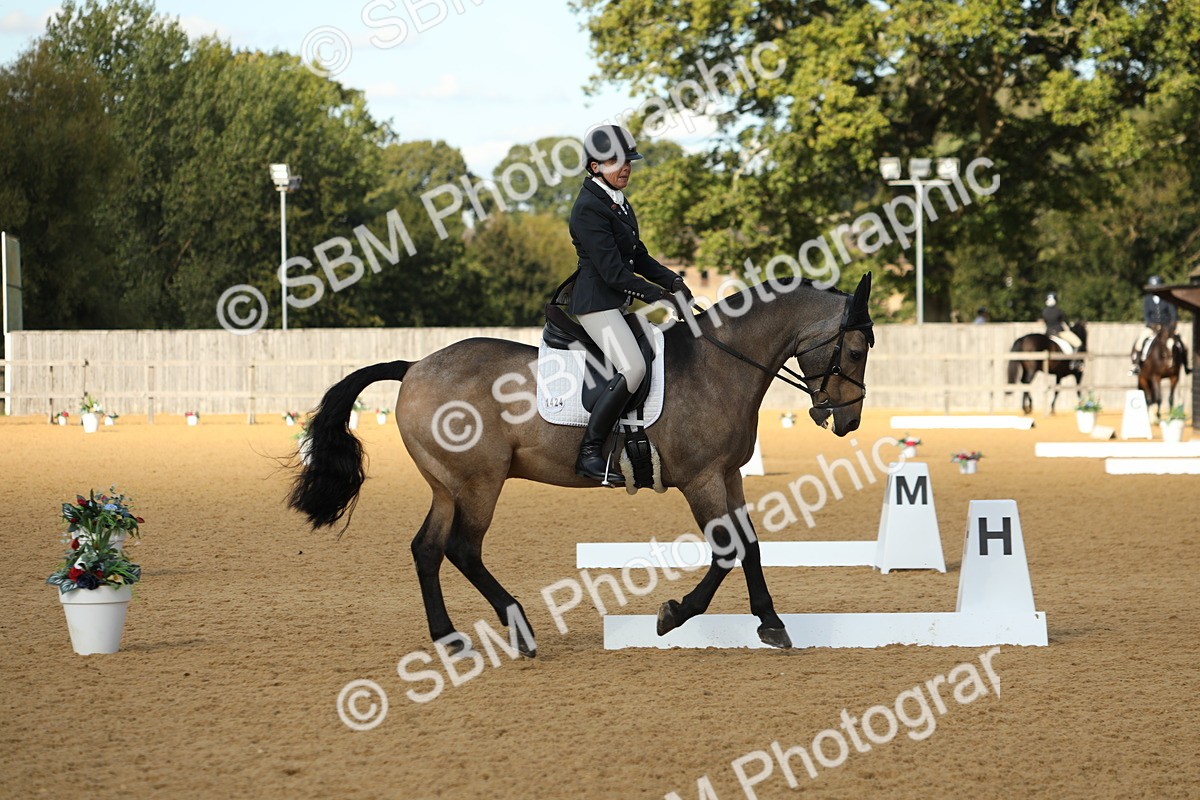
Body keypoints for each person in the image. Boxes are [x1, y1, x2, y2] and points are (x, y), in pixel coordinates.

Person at [566, 124, 692, 484]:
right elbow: (613, 273)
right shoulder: (588, 208)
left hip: (617, 302)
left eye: (628, 161)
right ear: (595, 167)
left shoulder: (616, 201)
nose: (625, 168)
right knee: (633, 367)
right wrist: (658, 296)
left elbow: (639, 257)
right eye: (616, 162)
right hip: (596, 304)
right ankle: (589, 452)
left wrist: (673, 281)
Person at [1130, 275, 1180, 375]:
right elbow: (1146, 316)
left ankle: (1185, 365)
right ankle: (1136, 365)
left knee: (1181, 344)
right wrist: (1152, 325)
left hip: (1166, 328)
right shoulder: (1147, 299)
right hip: (1152, 327)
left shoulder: (1167, 299)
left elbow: (1173, 315)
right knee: (1140, 342)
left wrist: (1171, 327)